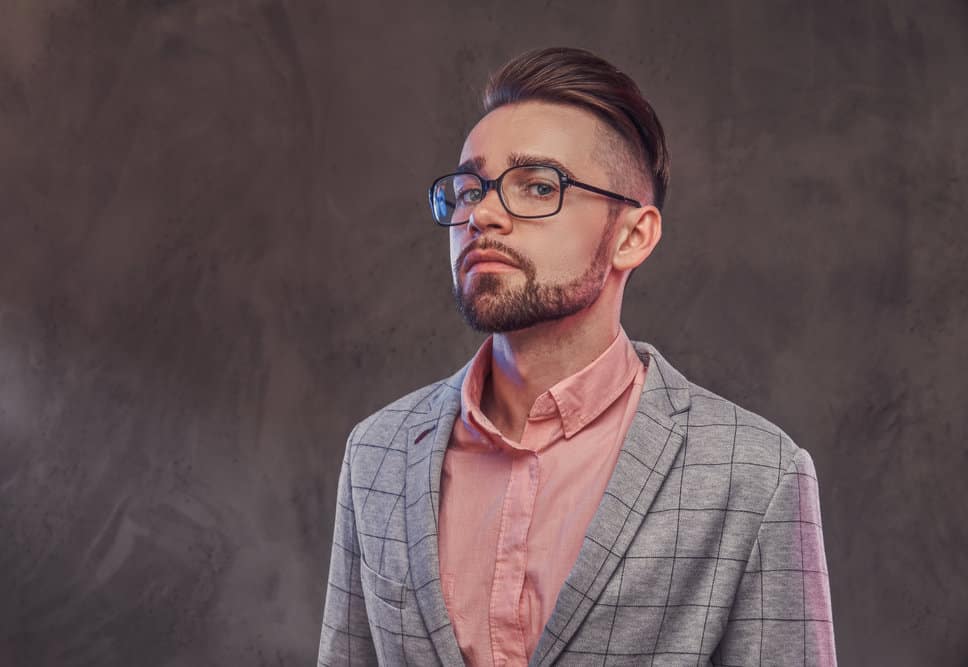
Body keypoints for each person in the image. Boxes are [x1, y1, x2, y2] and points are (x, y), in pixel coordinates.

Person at [319, 47, 836, 666]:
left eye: (538, 186)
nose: (481, 214)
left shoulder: (757, 474)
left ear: (631, 236)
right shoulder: (376, 452)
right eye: (467, 190)